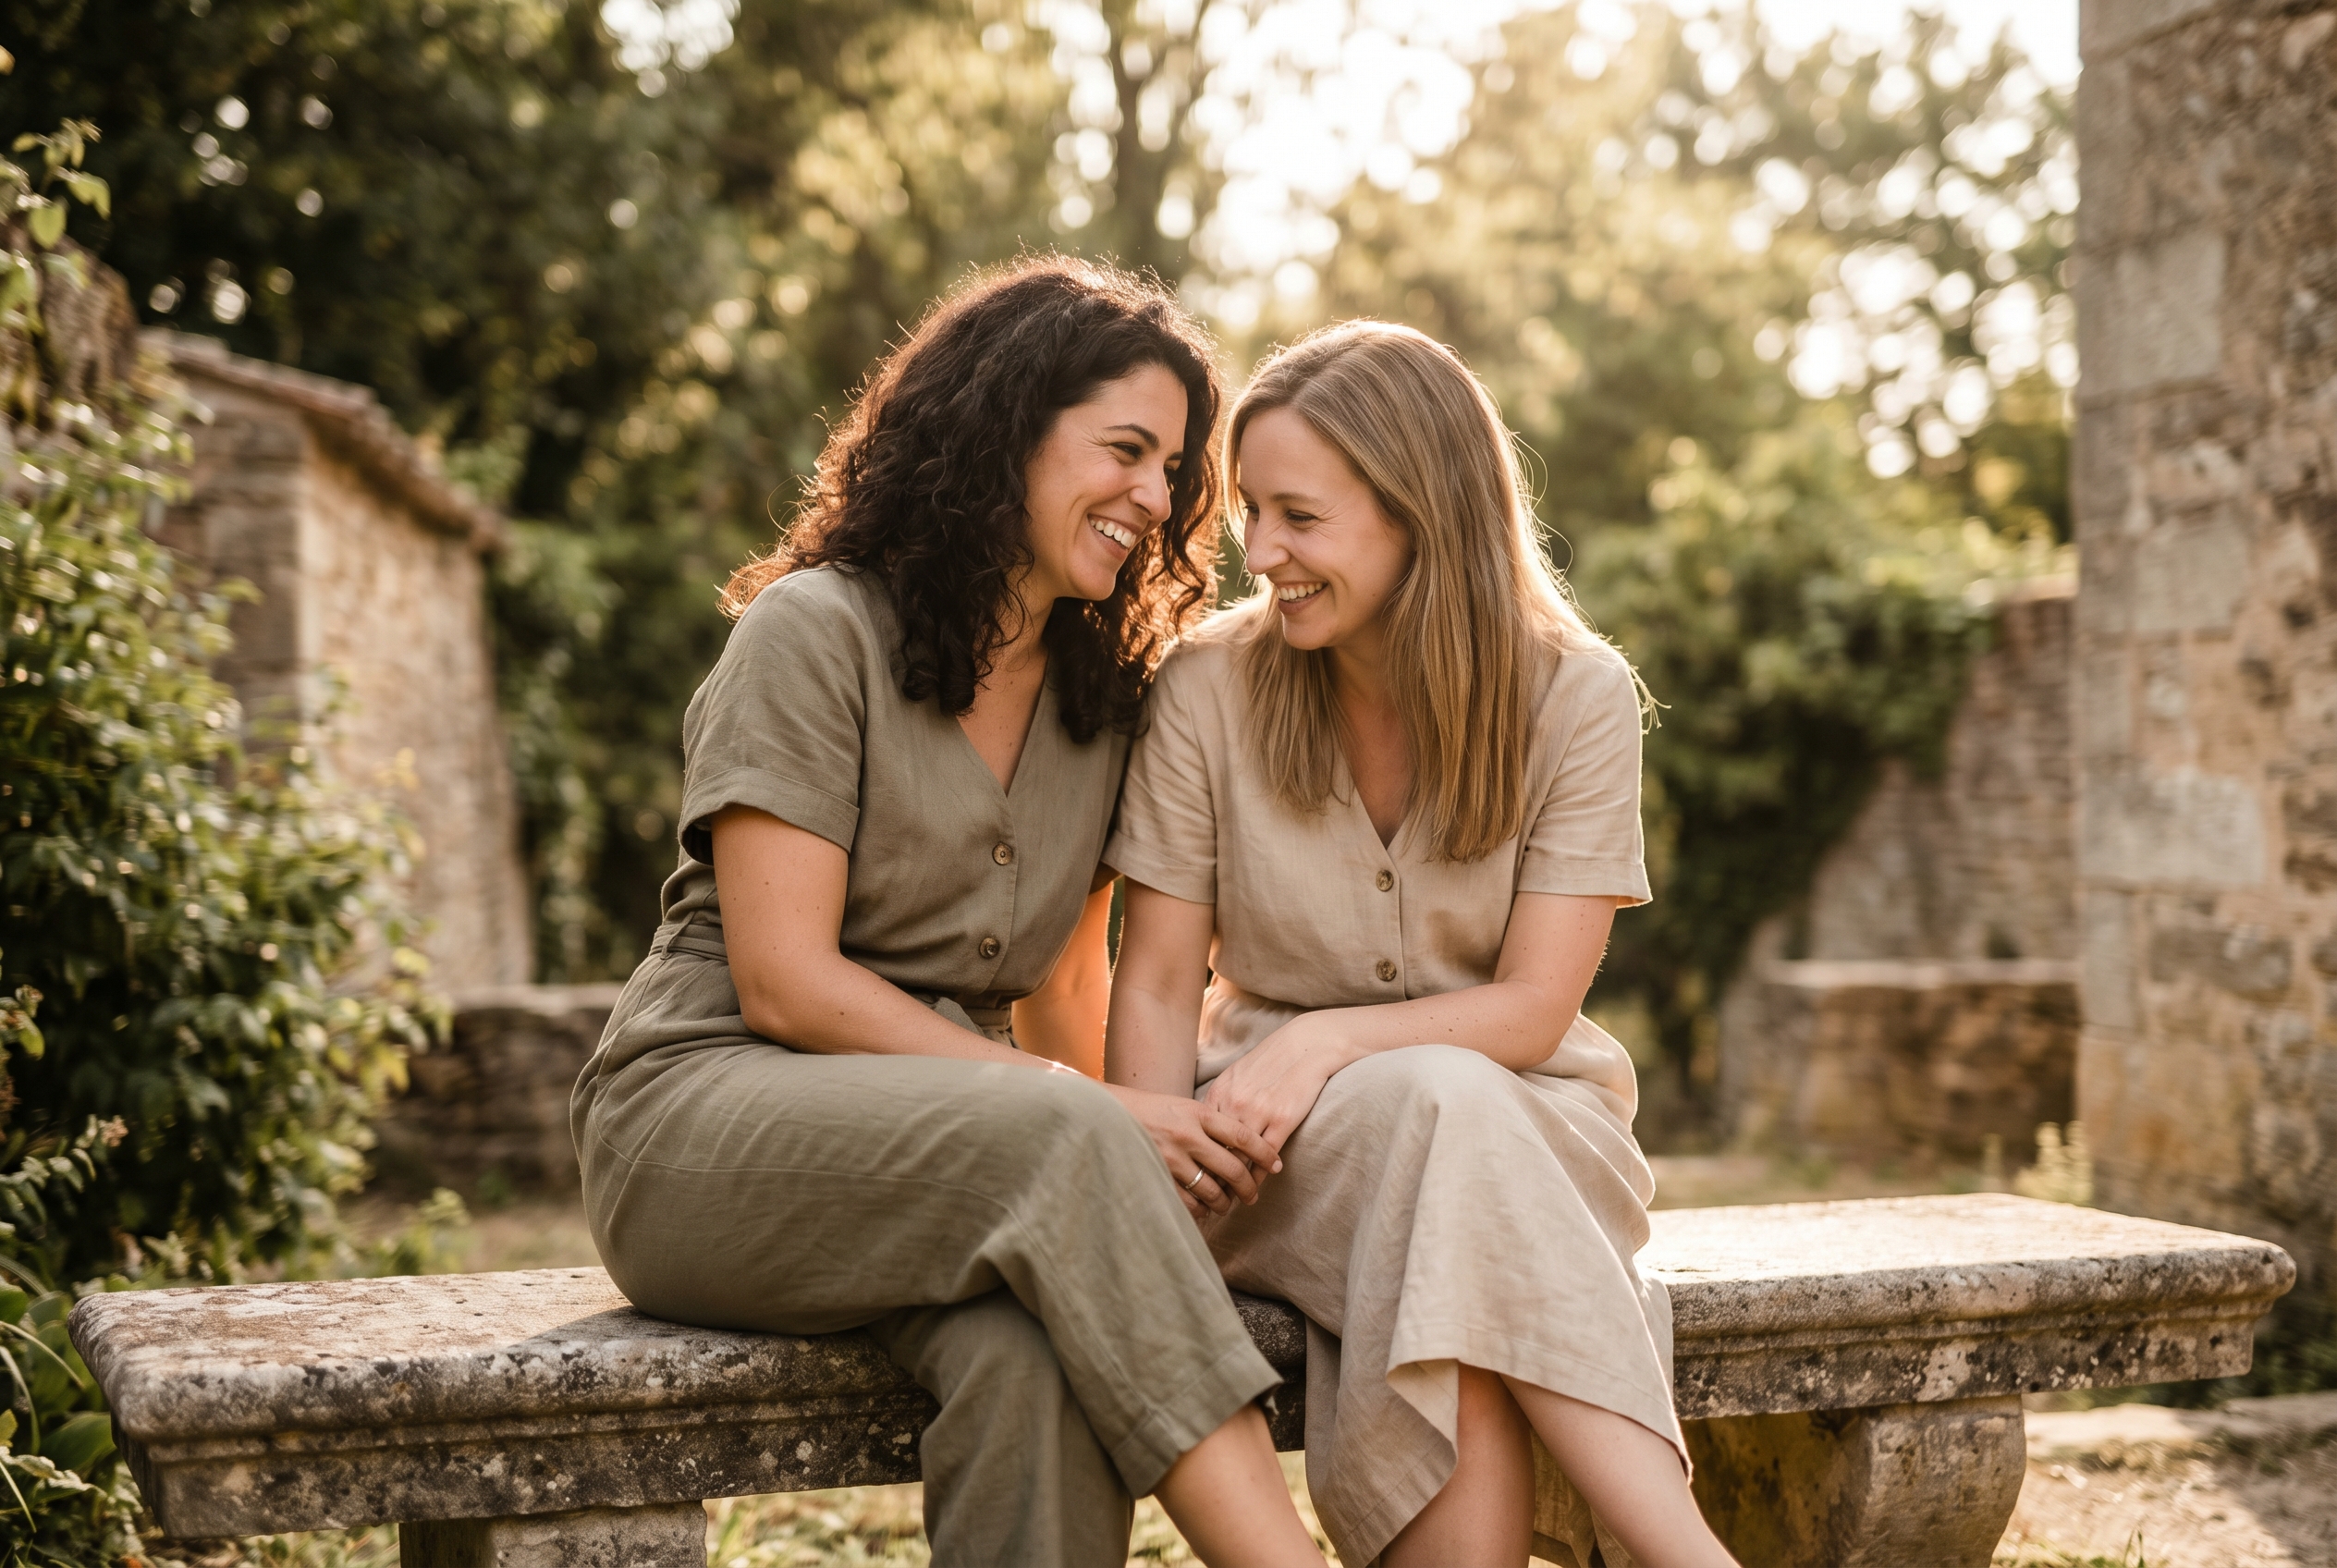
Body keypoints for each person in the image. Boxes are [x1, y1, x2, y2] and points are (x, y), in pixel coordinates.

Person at [570, 257, 1329, 1568]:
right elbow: (786, 984)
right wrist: (1087, 1121)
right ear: (1006, 427)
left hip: (956, 1160)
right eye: (1128, 451)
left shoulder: (1102, 697)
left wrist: (1120, 1173)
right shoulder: (815, 635)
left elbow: (1069, 996)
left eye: (1173, 472)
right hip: (699, 1123)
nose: (1155, 500)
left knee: (1037, 1358)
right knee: (1059, 1129)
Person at [1105, 321, 1742, 1568]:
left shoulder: (1578, 695)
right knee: (1437, 1138)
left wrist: (1330, 1040)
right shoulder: (1209, 688)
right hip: (1275, 1162)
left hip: (1534, 1132)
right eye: (1251, 510)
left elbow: (1530, 1014)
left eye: (1299, 516)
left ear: (1421, 515)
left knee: (1448, 1129)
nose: (1259, 552)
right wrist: (1157, 1171)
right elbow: (1163, 978)